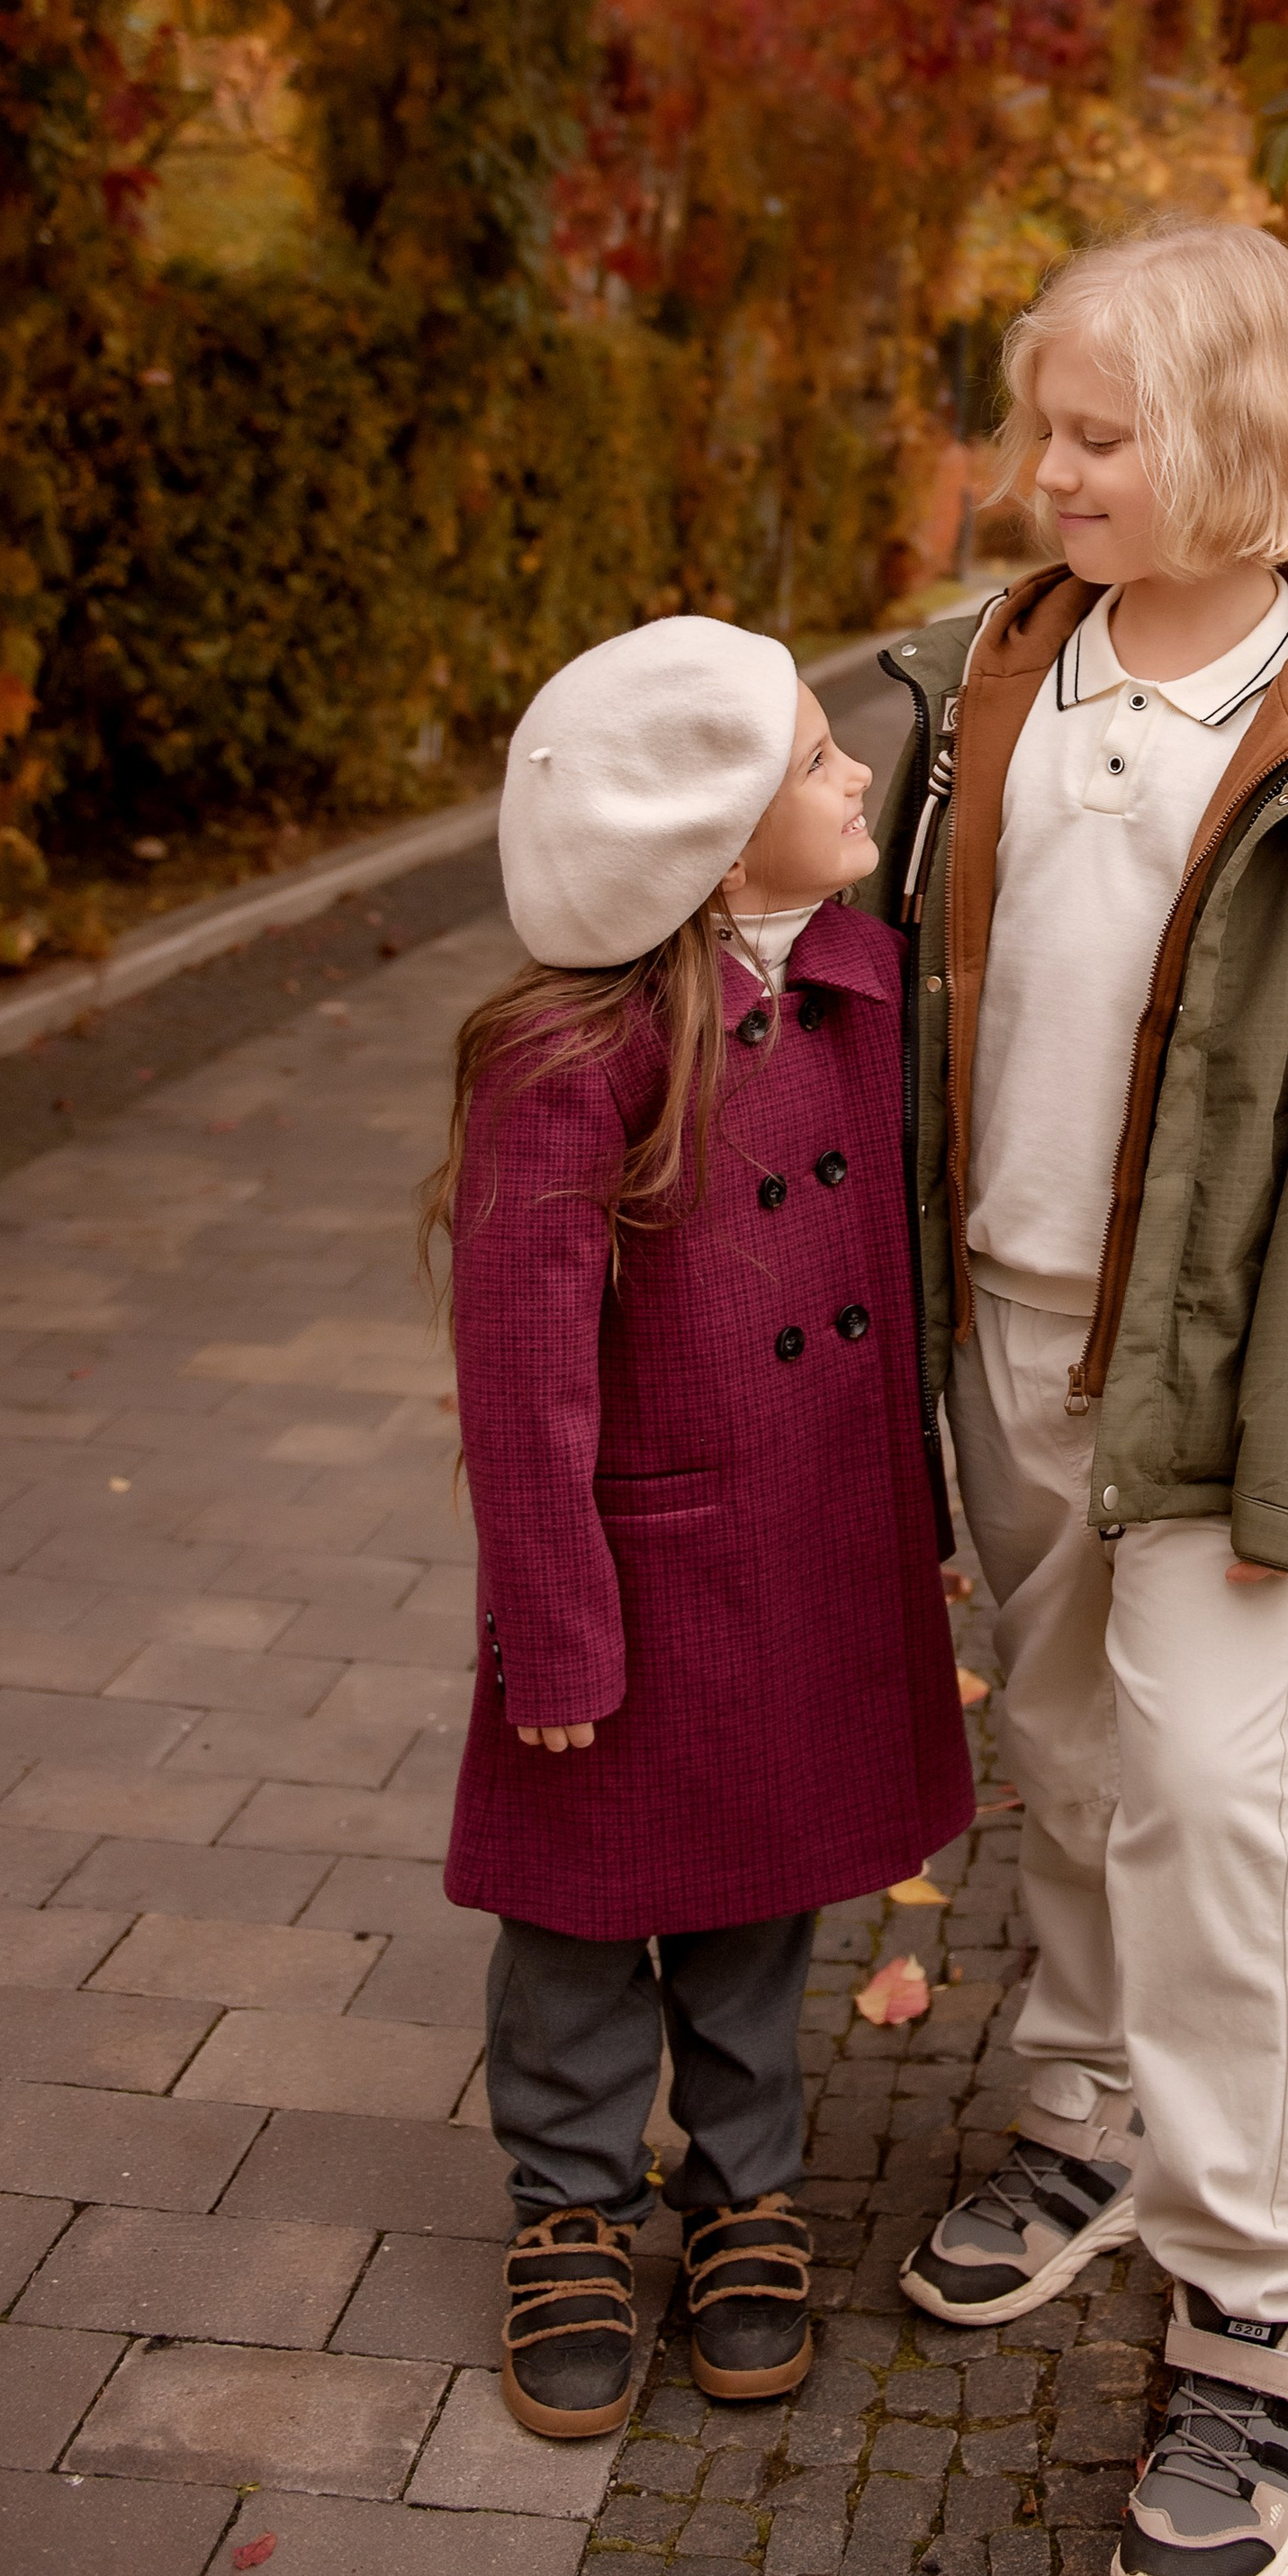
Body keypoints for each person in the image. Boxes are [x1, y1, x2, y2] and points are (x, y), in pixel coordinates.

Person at [861, 217, 1288, 2576]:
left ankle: (1262, 2300)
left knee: (1216, 1790)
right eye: (1050, 428)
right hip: (1005, 1318)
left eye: (1100, 435)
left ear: (1233, 440)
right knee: (1072, 1744)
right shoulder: (994, 673)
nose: (1053, 470)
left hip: (1207, 1389)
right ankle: (1090, 2099)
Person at [428, 617, 974, 2441]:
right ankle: (568, 2207)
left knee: (760, 1896)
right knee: (583, 1921)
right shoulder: (571, 1064)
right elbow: (521, 1383)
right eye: (817, 760)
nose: (851, 779)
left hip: (802, 1551)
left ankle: (746, 2192)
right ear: (725, 844)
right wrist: (555, 1630)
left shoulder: (855, 990)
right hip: (639, 1570)